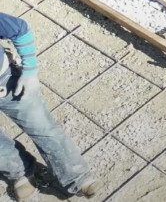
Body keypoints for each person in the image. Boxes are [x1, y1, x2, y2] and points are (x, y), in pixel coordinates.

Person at [0, 11, 99, 198]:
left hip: (6, 83)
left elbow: (20, 30)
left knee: (42, 128)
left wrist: (29, 72)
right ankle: (20, 172)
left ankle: (76, 176)